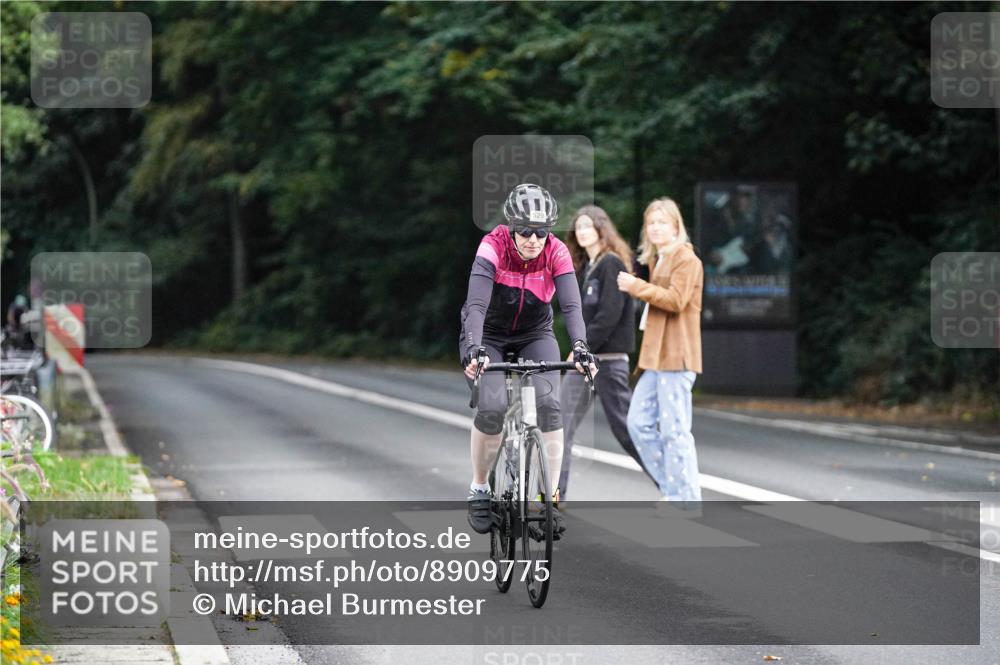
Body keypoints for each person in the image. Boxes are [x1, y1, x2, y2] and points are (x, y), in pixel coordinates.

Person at [459, 184, 597, 537]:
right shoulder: (493, 246)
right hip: (488, 335)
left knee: (550, 407)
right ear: (511, 227)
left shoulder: (556, 251)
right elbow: (476, 306)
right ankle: (479, 488)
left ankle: (546, 498)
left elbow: (572, 307)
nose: (534, 239)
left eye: (541, 231)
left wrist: (581, 347)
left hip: (534, 333)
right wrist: (474, 348)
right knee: (492, 408)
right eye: (525, 231)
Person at [617, 198, 704, 513]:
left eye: (662, 222)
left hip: (676, 357)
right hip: (655, 360)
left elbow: (677, 301)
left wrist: (637, 287)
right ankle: (673, 488)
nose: (655, 228)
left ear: (676, 227)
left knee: (675, 432)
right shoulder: (661, 258)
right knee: (638, 424)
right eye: (651, 223)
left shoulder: (685, 258)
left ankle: (686, 498)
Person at [558, 205, 649, 497]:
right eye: (578, 227)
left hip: (608, 362)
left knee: (627, 431)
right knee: (559, 427)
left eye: (588, 226)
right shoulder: (589, 267)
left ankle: (672, 486)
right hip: (585, 363)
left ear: (601, 228)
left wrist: (580, 348)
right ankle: (553, 496)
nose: (582, 232)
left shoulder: (612, 263)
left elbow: (609, 315)